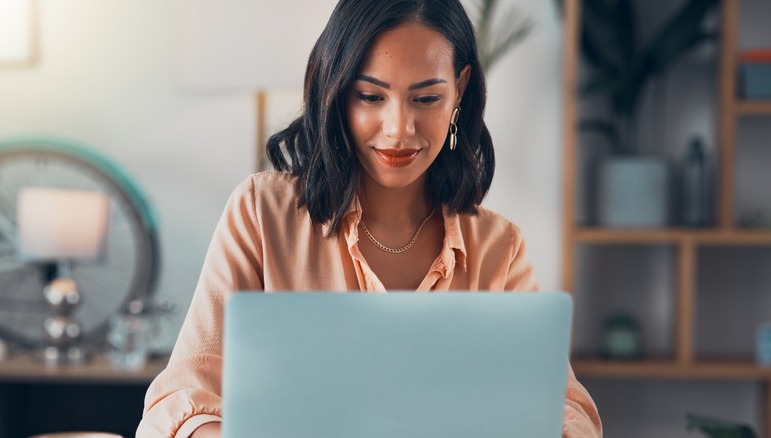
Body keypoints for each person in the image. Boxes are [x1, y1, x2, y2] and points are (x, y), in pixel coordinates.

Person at [138, 0, 602, 436]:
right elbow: (181, 394)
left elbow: (565, 406)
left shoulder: (498, 246)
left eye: (426, 99)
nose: (399, 129)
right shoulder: (261, 213)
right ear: (336, 92)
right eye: (370, 96)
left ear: (459, 90)